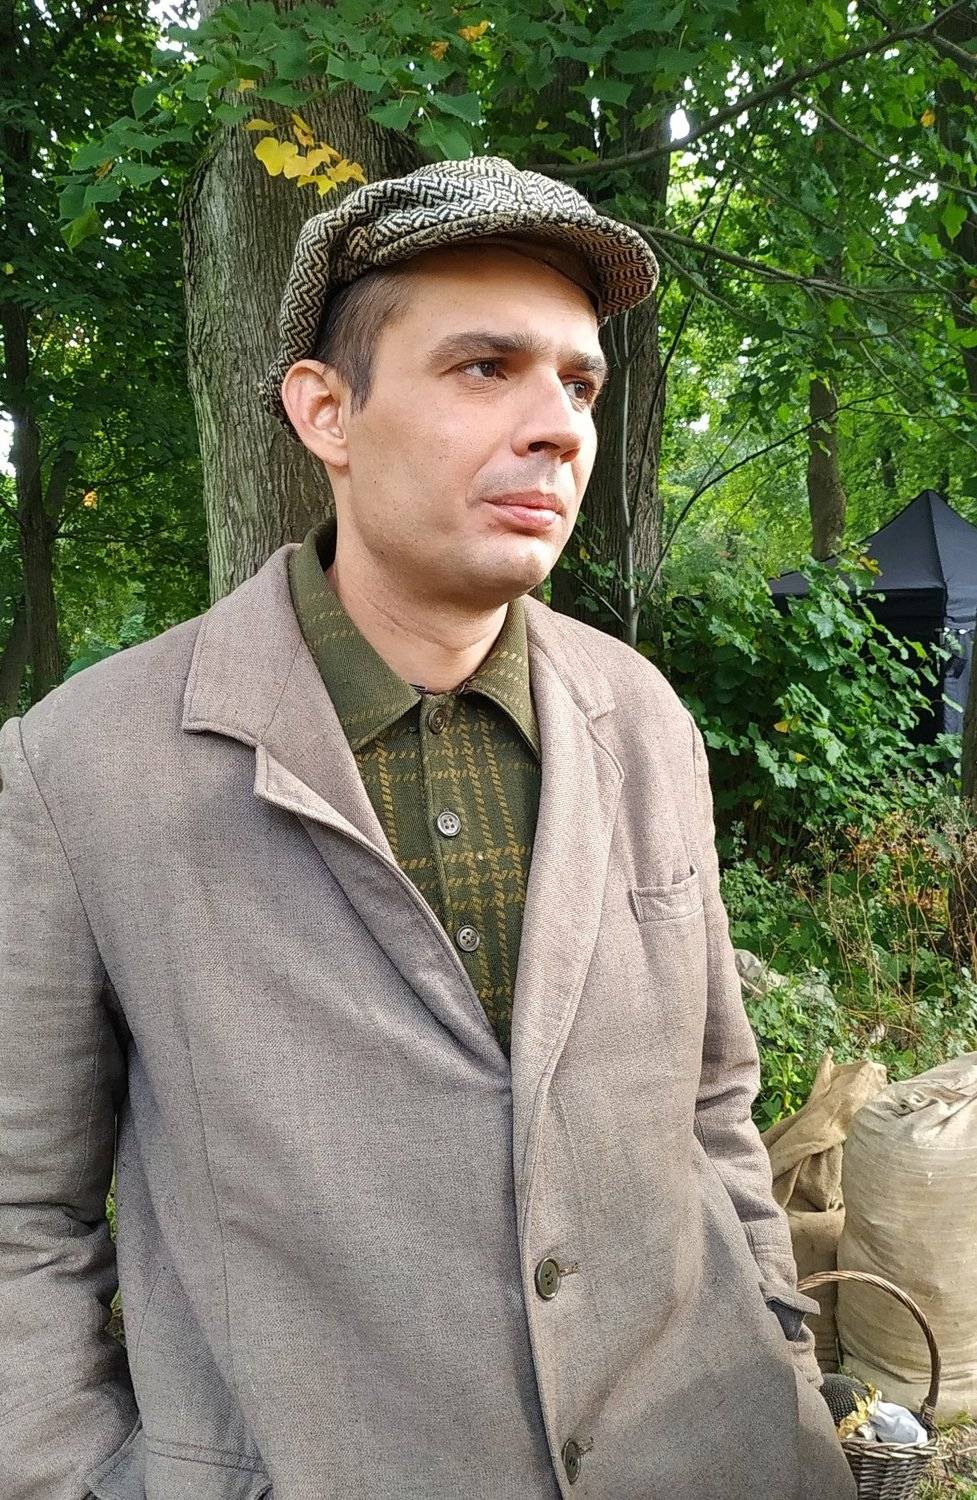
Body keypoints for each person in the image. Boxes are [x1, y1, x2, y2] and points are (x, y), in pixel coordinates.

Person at [0, 155, 856, 1499]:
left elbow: (712, 1103)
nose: (557, 426)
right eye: (483, 368)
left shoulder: (641, 717)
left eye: (578, 383)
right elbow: (20, 1214)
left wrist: (785, 1372)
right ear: (325, 411)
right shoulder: (85, 766)